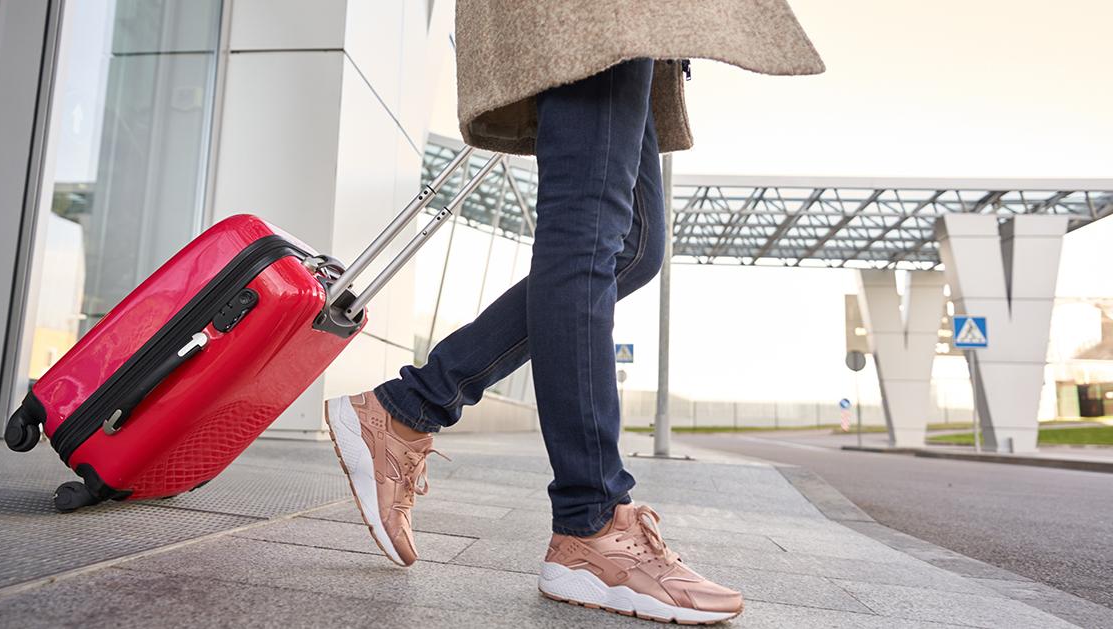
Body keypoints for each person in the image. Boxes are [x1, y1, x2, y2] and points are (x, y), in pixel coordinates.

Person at [323, 1, 822, 623]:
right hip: (598, 13)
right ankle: (591, 523)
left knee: (633, 248)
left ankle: (411, 406)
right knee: (585, 237)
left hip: (631, 24)